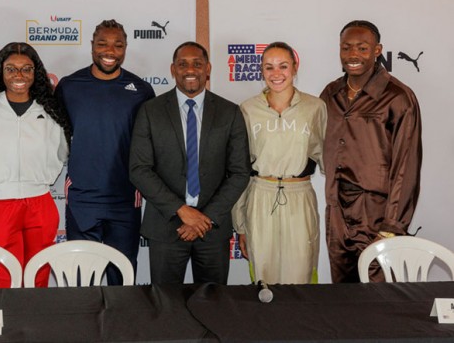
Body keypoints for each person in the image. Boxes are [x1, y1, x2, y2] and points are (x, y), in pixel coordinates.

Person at [130, 41, 250, 285]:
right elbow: (139, 169)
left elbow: (239, 173)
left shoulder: (230, 112)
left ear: (208, 68)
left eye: (197, 63)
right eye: (182, 64)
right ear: (173, 69)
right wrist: (182, 211)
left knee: (213, 303)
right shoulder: (150, 111)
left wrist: (204, 219)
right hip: (166, 226)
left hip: (212, 229)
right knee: (165, 302)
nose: (190, 70)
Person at [320, 20, 422, 283]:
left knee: (378, 294)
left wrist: (392, 226)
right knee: (342, 294)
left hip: (376, 213)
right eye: (346, 48)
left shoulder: (398, 97)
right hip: (337, 211)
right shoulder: (330, 94)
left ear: (377, 50)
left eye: (362, 48)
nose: (353, 54)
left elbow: (406, 165)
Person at [54, 19, 155, 285]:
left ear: (125, 49)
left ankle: (119, 315)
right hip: (82, 199)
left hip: (125, 199)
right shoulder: (69, 86)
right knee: (81, 278)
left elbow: (151, 146)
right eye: (102, 44)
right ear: (92, 46)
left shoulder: (141, 91)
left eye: (117, 45)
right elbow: (54, 136)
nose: (109, 51)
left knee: (121, 278)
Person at [0, 42, 71, 288]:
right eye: (11, 69)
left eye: (26, 69)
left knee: (38, 277)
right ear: (0, 72)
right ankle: (8, 316)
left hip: (40, 203)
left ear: (36, 73)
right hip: (1, 204)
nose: (19, 75)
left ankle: (37, 315)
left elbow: (62, 152)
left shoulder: (50, 110)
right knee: (3, 277)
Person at [231, 42, 326, 285]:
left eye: (283, 66)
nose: (276, 73)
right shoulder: (247, 109)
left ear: (295, 68)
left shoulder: (315, 107)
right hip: (260, 194)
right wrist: (240, 224)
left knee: (301, 274)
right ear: (261, 70)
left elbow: (329, 159)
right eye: (269, 67)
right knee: (264, 278)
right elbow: (239, 169)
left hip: (299, 195)